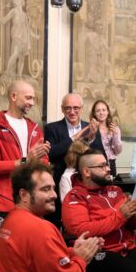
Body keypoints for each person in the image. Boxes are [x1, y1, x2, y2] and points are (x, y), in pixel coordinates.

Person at [0, 160, 125, 272]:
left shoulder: (11, 219)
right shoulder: (39, 229)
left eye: (53, 188)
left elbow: (45, 259)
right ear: (24, 195)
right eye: (46, 189)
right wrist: (81, 259)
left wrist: (73, 252)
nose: (54, 195)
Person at [0, 80, 49, 226]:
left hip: (33, 200)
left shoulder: (35, 128)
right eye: (28, 98)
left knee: (32, 246)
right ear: (13, 97)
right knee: (9, 247)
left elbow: (44, 164)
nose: (32, 103)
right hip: (5, 201)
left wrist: (42, 161)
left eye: (33, 99)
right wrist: (25, 160)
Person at [44, 93, 105, 225]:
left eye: (76, 108)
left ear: (81, 109)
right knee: (62, 223)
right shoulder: (52, 128)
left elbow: (101, 156)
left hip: (87, 186)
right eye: (68, 108)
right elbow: (50, 154)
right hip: (61, 182)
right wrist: (74, 138)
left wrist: (92, 138)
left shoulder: (91, 127)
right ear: (62, 109)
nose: (72, 112)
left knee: (84, 222)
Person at [90, 99, 123, 177]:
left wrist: (115, 134)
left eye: (104, 110)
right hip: (95, 164)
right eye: (98, 111)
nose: (101, 113)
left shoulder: (115, 128)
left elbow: (117, 151)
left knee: (110, 188)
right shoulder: (91, 128)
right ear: (94, 114)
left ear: (108, 112)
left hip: (110, 164)